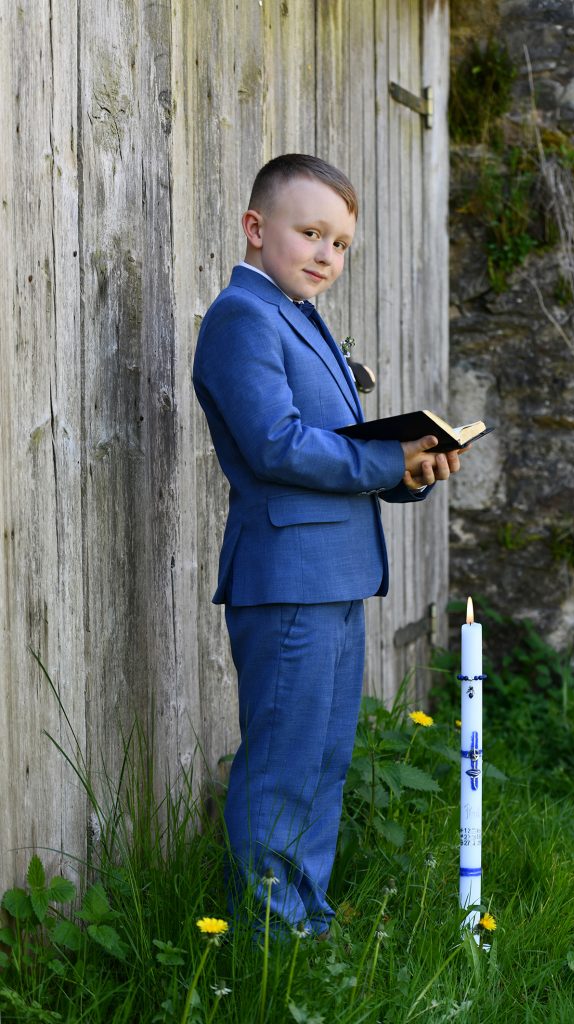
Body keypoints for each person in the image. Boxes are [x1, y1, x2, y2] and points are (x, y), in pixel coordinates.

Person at [192, 153, 463, 938]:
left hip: (334, 573)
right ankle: (268, 938)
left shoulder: (299, 317)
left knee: (321, 762)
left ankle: (306, 916)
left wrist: (410, 469)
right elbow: (275, 445)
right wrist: (386, 457)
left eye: (340, 244)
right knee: (282, 765)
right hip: (286, 577)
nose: (325, 256)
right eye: (310, 233)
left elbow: (337, 451)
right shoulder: (242, 316)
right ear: (255, 228)